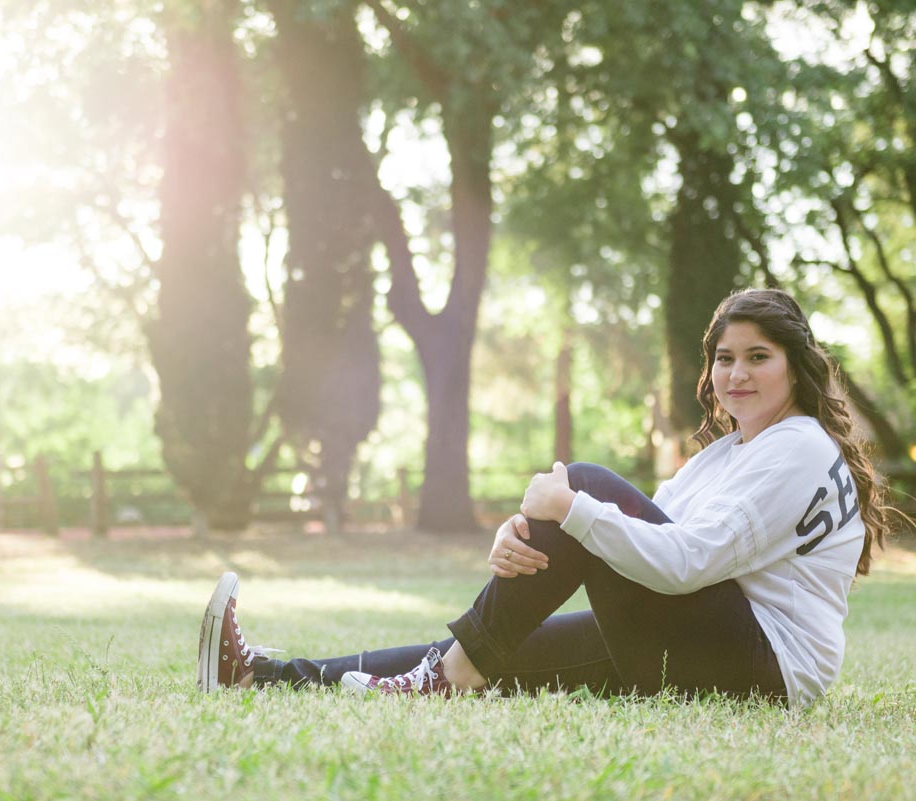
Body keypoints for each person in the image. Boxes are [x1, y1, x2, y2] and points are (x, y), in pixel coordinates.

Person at [197, 288, 897, 708]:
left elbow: (681, 563)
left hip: (759, 670)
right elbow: (640, 543)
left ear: (795, 367)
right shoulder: (732, 451)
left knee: (585, 482)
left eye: (757, 356)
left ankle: (442, 683)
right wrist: (531, 530)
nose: (735, 373)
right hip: (703, 646)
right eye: (724, 357)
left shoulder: (798, 446)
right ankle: (260, 673)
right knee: (482, 651)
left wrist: (570, 509)